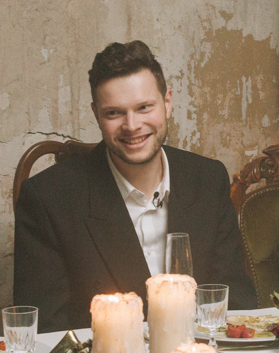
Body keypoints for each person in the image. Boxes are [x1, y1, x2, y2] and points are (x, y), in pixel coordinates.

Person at [15, 40, 257, 330]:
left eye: (144, 107)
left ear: (167, 103)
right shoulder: (48, 199)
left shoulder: (208, 179)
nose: (132, 126)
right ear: (96, 114)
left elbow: (236, 305)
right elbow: (46, 333)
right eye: (114, 113)